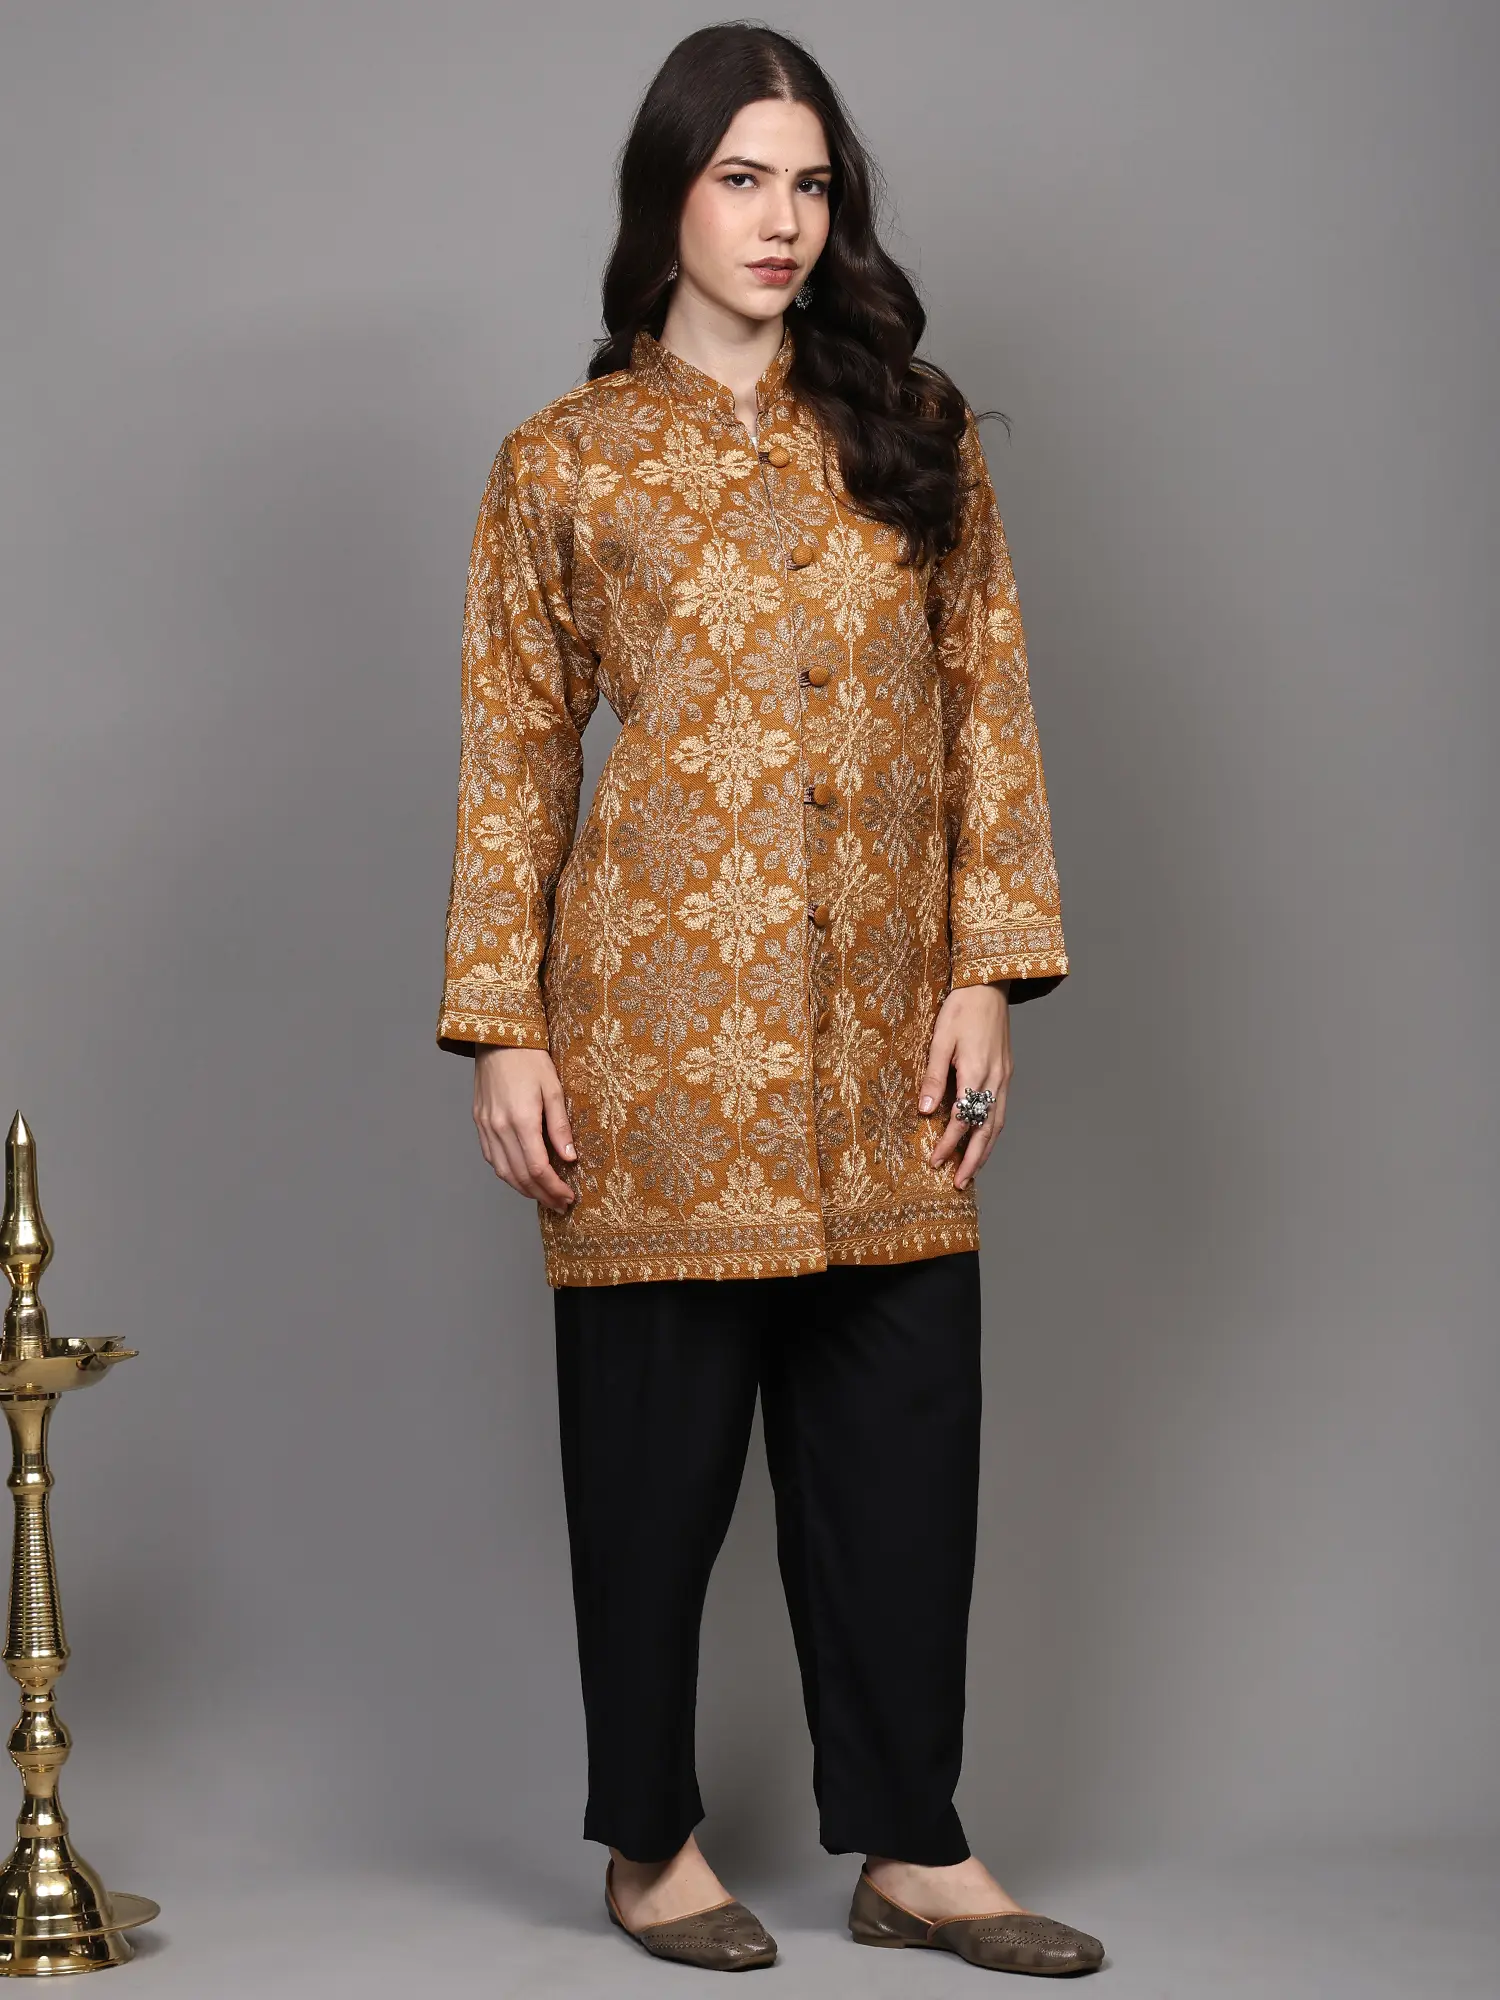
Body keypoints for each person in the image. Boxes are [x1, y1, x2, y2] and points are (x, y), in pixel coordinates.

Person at [437, 20, 1103, 1979]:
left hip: (890, 1037)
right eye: (742, 179)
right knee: (650, 1481)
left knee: (903, 1456)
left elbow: (991, 711)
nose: (782, 219)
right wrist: (504, 1023)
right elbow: (512, 756)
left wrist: (986, 968)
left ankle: (916, 1848)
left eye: (811, 185)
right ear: (669, 196)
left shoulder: (915, 431)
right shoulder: (564, 463)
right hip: (654, 1044)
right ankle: (651, 1846)